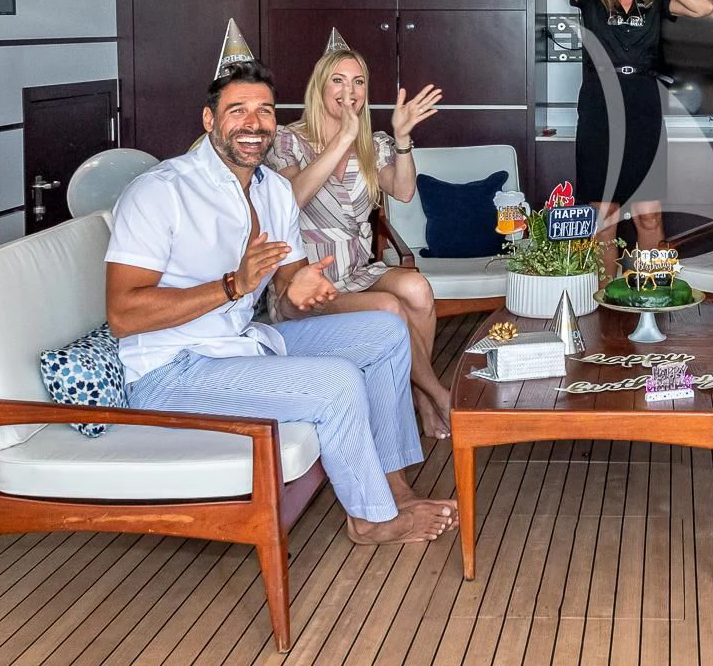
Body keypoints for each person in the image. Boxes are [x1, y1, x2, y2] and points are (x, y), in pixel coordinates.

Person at [105, 60, 456, 545]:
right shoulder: (161, 192)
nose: (254, 124)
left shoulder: (271, 190)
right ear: (210, 121)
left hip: (243, 344)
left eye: (264, 111)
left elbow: (287, 272)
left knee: (386, 331)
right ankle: (370, 518)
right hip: (173, 371)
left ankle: (394, 486)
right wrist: (231, 286)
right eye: (238, 111)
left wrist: (300, 282)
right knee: (338, 380)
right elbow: (123, 314)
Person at [263, 30, 453, 438]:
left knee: (417, 288)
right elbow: (289, 200)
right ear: (320, 87)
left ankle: (417, 394)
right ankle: (435, 393)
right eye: (338, 80)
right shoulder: (287, 140)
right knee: (388, 305)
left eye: (358, 81)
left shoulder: (372, 143)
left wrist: (402, 139)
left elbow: (402, 191)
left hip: (356, 269)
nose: (349, 90)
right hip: (306, 285)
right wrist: (341, 140)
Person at [546, 0, 713, 276]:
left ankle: (648, 296)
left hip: (642, 104)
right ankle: (605, 299)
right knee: (604, 219)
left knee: (649, 217)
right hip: (599, 108)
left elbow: (705, 7)